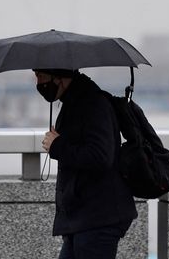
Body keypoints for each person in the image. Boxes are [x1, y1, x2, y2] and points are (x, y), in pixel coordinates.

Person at [35, 68, 137, 259]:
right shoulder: (74, 102)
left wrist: (57, 146)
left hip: (99, 217)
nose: (38, 83)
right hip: (83, 217)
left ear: (59, 77)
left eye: (41, 76)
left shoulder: (93, 104)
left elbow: (100, 156)